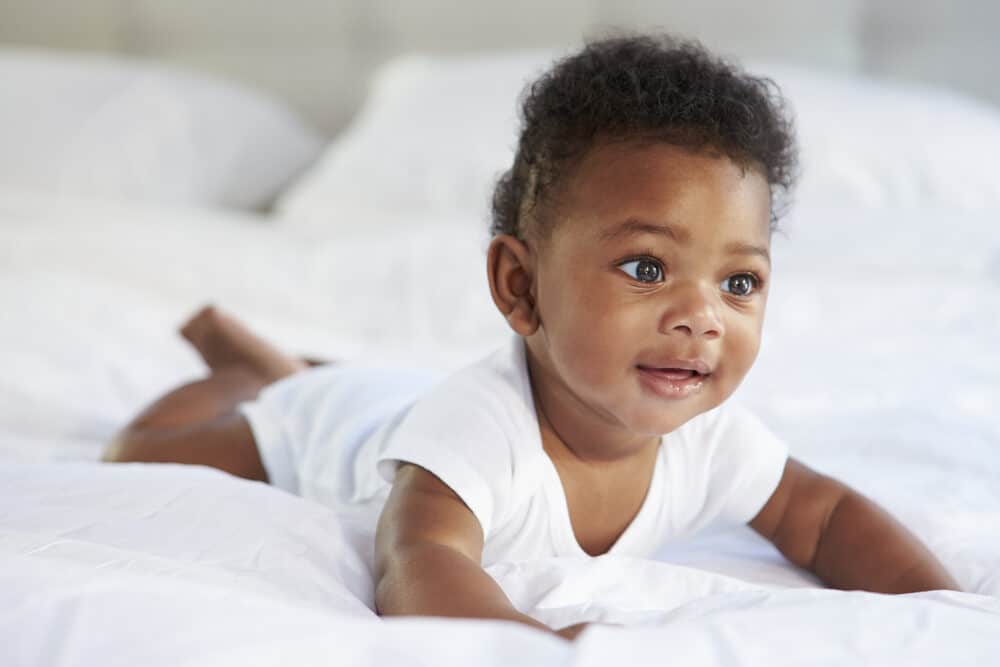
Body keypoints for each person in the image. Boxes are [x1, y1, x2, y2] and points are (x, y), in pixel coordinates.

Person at [103, 34, 959, 640]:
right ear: (521, 287)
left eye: (740, 282)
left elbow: (824, 515)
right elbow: (418, 558)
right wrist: (525, 641)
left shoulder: (711, 439)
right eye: (647, 268)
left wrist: (944, 607)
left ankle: (282, 362)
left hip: (399, 394)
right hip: (337, 422)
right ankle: (250, 374)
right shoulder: (476, 434)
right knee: (139, 453)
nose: (701, 314)